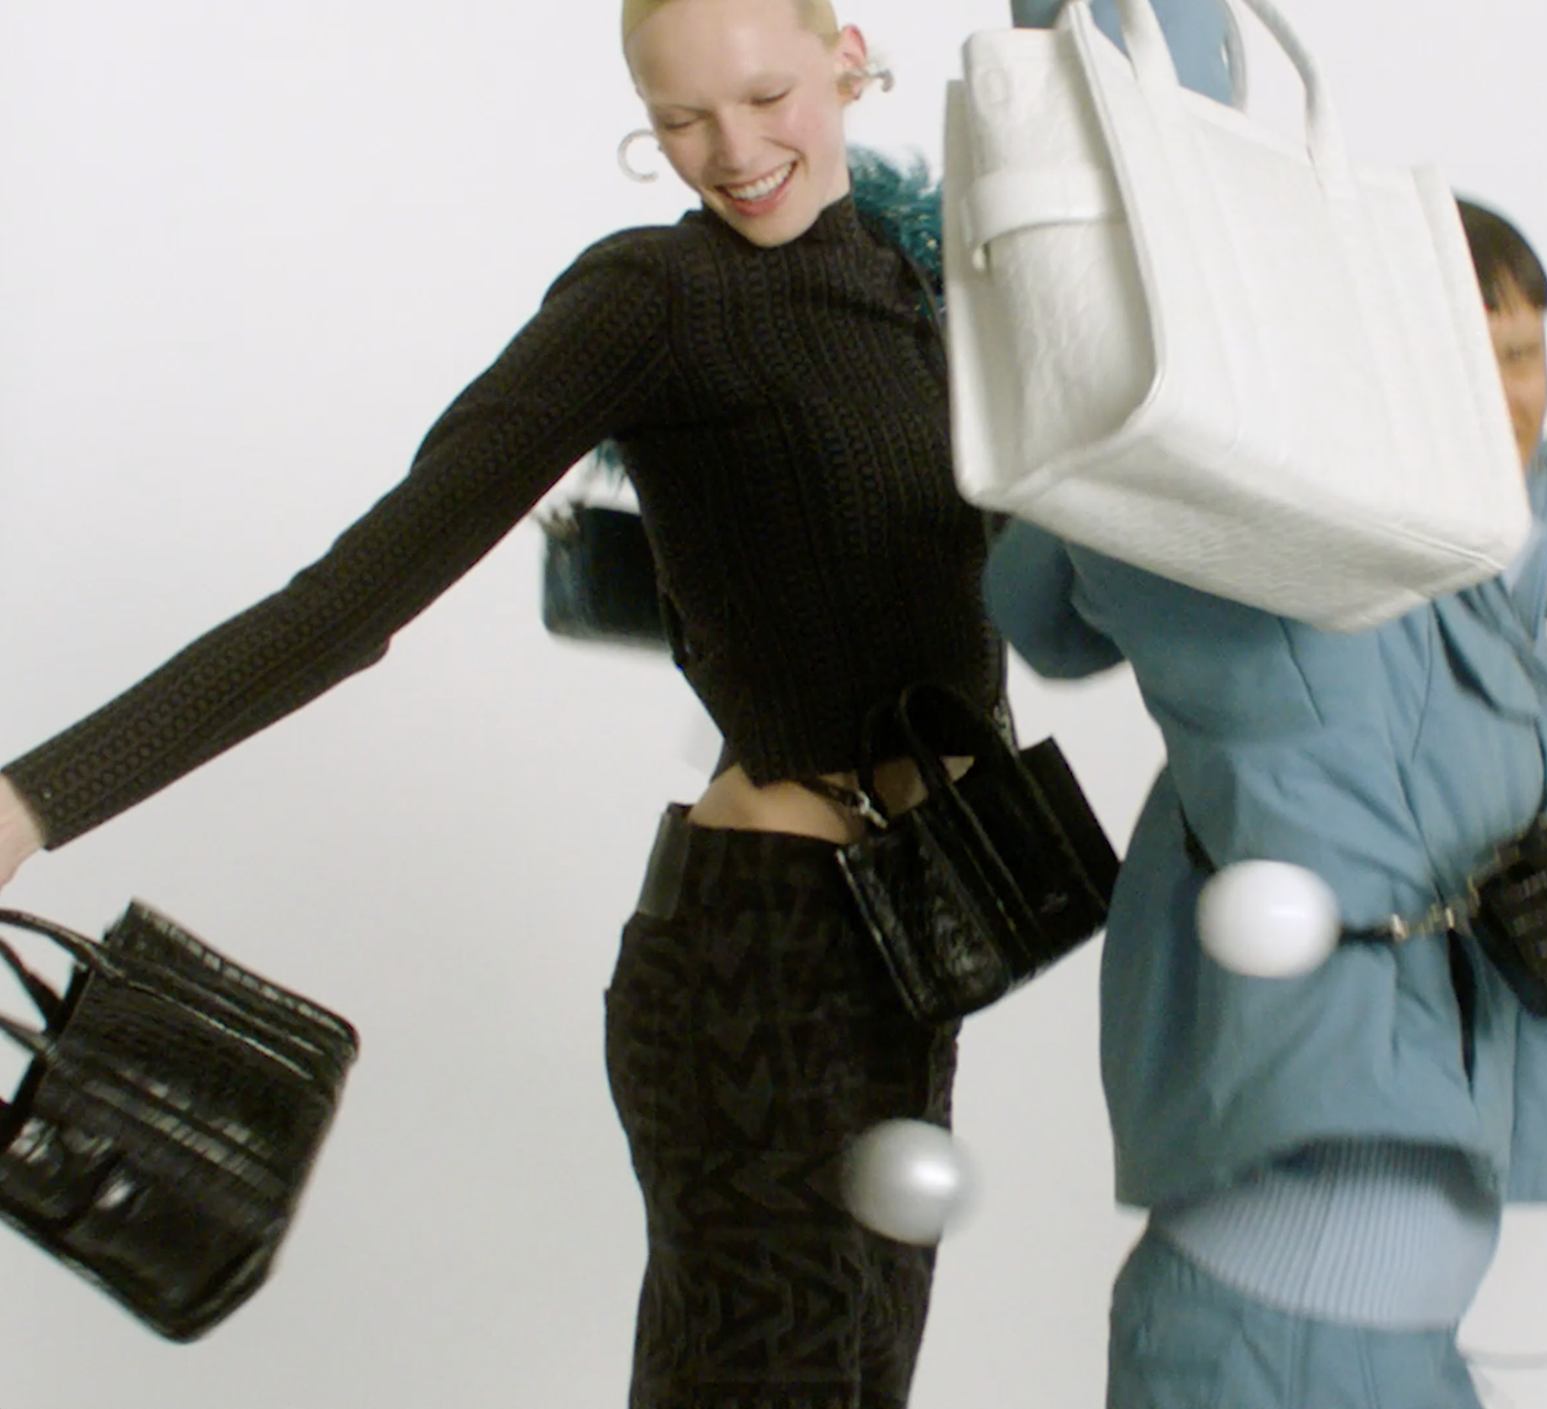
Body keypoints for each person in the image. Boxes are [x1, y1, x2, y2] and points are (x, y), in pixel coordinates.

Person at [0, 1, 1232, 1404]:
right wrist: (32, 802)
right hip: (762, 964)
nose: (735, 153)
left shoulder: (925, 284)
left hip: (914, 959)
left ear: (847, 57)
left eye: (765, 96)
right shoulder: (653, 299)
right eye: (680, 121)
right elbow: (351, 598)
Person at [984, 200, 1547, 1409]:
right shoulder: (1276, 581)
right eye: (1459, 356)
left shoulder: (1507, 614)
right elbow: (1058, 571)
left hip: (1412, 1356)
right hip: (1264, 1347)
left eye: (1522, 354)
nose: (1502, 397)